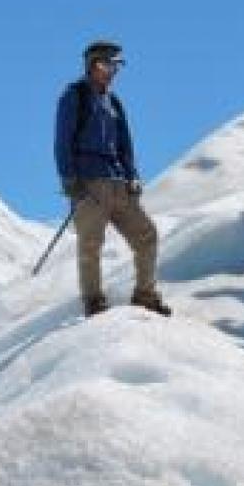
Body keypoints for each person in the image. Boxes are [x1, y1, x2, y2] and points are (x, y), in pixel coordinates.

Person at [54, 40, 166, 316]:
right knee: (91, 243)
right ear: (92, 65)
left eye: (117, 66)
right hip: (88, 183)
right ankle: (93, 300)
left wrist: (133, 177)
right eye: (107, 64)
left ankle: (145, 294)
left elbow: (126, 145)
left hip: (118, 183)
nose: (113, 71)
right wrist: (70, 180)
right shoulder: (74, 96)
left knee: (146, 235)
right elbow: (62, 142)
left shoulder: (114, 102)